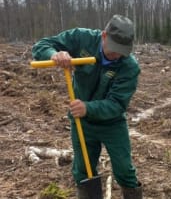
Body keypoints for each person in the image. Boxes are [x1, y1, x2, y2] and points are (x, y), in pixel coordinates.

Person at [32, 14, 142, 199]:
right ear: (104, 36)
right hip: (82, 122)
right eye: (114, 49)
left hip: (112, 123)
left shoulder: (129, 67)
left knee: (124, 170)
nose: (117, 55)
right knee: (83, 171)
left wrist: (88, 108)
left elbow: (116, 104)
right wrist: (55, 54)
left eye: (122, 51)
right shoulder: (81, 38)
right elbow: (41, 46)